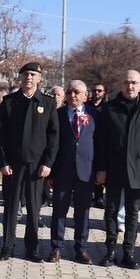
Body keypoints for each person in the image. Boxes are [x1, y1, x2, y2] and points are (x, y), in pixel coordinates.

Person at [0, 62, 59, 262]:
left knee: (33, 209)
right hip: (13, 165)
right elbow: (1, 135)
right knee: (11, 208)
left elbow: (54, 137)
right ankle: (7, 247)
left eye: (33, 74)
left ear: (39, 78)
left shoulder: (48, 104)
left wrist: (48, 163)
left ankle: (32, 249)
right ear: (20, 77)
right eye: (25, 74)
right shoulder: (9, 102)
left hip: (36, 166)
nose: (29, 78)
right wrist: (3, 161)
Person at [95, 70, 140, 268]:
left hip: (139, 170)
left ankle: (128, 252)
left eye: (134, 83)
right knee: (111, 211)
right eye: (126, 83)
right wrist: (101, 168)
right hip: (113, 168)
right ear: (120, 85)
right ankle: (111, 250)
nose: (130, 86)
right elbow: (101, 142)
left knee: (133, 213)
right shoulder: (109, 108)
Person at [48, 81, 97, 264]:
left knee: (82, 212)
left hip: (86, 170)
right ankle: (56, 247)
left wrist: (100, 170)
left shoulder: (94, 114)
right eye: (69, 92)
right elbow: (51, 143)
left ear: (85, 95)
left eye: (76, 92)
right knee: (59, 211)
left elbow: (100, 143)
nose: (72, 95)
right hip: (63, 170)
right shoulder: (58, 114)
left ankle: (81, 248)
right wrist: (51, 172)